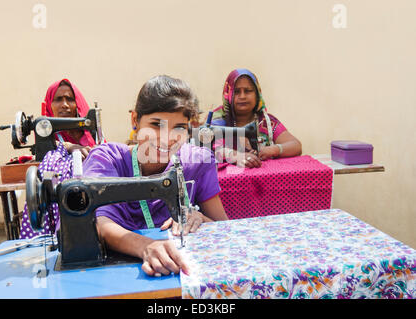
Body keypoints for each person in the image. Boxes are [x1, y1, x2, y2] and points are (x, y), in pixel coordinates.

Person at [82, 75, 228, 277]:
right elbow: (100, 224)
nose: (167, 138)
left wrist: (202, 219)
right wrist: (146, 246)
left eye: (179, 127)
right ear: (135, 120)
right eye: (156, 124)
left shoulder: (198, 162)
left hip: (180, 272)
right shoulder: (107, 159)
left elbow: (225, 229)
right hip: (118, 275)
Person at [19, 79, 98, 239]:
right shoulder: (47, 133)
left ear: (78, 103)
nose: (65, 105)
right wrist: (67, 146)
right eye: (58, 99)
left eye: (70, 99)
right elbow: (44, 148)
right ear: (49, 104)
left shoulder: (88, 134)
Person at [211, 68, 302, 168]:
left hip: (263, 181)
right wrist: (234, 155)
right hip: (225, 182)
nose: (242, 96)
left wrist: (273, 150)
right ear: (228, 94)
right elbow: (204, 149)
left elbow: (296, 146)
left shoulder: (267, 122)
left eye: (248, 91)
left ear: (257, 94)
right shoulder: (216, 120)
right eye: (236, 92)